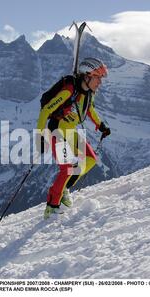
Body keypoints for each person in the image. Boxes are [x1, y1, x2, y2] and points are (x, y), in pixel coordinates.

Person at [36, 58, 111, 219]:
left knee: (90, 159)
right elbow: (45, 111)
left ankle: (64, 188)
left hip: (70, 131)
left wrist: (101, 125)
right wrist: (41, 137)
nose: (100, 82)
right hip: (56, 130)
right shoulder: (69, 91)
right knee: (67, 167)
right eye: (98, 78)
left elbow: (89, 109)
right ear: (87, 76)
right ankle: (52, 207)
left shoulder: (89, 93)